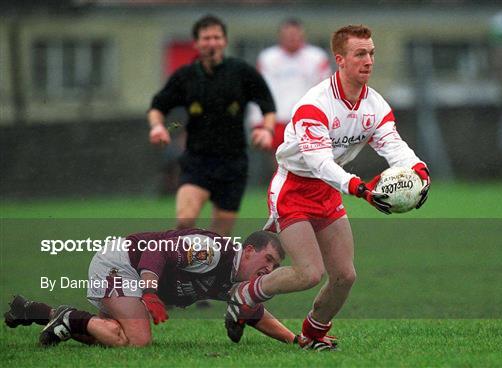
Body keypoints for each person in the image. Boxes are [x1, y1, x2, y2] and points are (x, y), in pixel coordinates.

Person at [226, 25, 431, 351]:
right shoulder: (314, 106)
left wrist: (419, 170)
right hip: (293, 189)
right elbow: (319, 162)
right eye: (360, 54)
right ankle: (244, 295)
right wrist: (359, 188)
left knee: (345, 276)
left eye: (372, 53)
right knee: (309, 273)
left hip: (327, 190)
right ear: (340, 59)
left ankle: (312, 334)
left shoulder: (375, 105)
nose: (368, 61)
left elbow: (393, 144)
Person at [4, 229, 295, 347]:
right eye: (267, 259)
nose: (269, 269)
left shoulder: (237, 279)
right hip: (119, 264)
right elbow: (157, 249)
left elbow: (253, 311)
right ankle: (69, 317)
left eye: (275, 265)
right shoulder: (212, 251)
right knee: (137, 340)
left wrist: (296, 340)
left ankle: (36, 311)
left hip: (133, 275)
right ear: (247, 251)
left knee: (110, 334)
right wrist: (150, 291)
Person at [147, 15, 276, 237]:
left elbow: (268, 105)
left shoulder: (241, 72)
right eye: (206, 38)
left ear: (224, 41)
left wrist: (266, 130)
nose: (212, 43)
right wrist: (157, 126)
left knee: (220, 236)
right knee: (184, 221)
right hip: (197, 161)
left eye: (217, 37)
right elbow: (157, 107)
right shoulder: (185, 76)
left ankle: (208, 270)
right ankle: (179, 267)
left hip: (233, 163)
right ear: (196, 43)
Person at [249, 18, 331, 151]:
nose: (292, 39)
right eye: (288, 35)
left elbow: (326, 90)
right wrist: (257, 121)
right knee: (280, 162)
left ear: (303, 36)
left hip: (307, 119)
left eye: (295, 35)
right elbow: (259, 91)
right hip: (277, 119)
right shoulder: (268, 58)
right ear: (280, 36)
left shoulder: (316, 57)